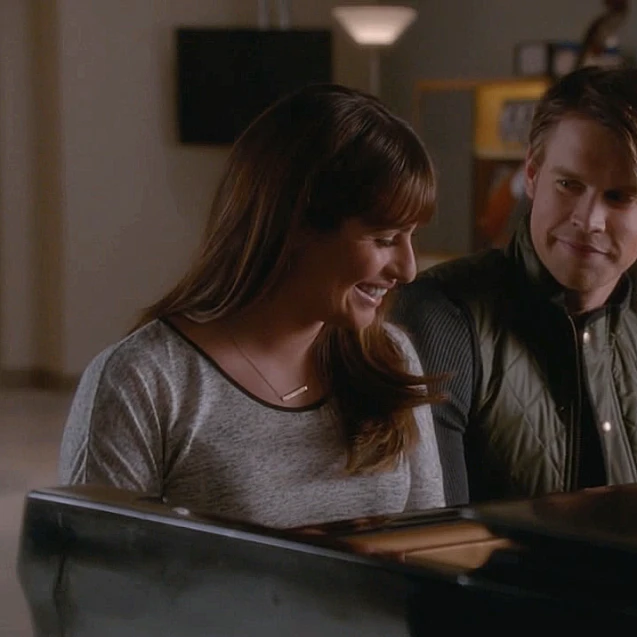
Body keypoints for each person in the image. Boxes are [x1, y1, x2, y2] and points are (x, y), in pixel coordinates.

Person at [58, 83, 446, 529]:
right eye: (383, 240)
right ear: (296, 224)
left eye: (412, 237)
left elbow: (430, 548)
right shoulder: (143, 382)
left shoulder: (389, 355)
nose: (408, 268)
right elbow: (94, 586)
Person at [394, 65, 637, 507]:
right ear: (531, 174)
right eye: (569, 184)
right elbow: (439, 539)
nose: (589, 220)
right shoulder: (442, 316)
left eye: (620, 197)